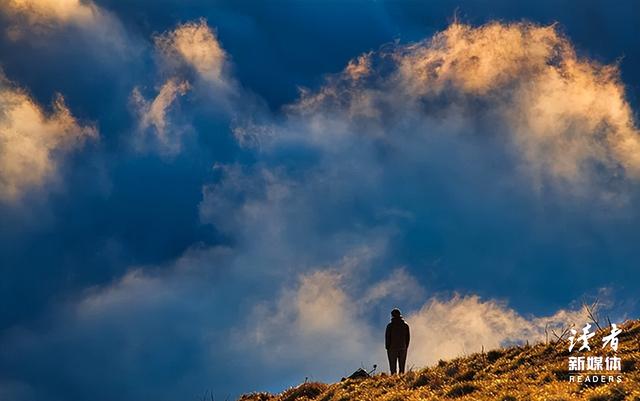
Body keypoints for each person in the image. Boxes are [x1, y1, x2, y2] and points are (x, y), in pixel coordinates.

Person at [385, 308, 410, 374]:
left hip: (392, 348)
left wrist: (387, 347)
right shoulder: (405, 325)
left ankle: (393, 379)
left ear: (392, 315)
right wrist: (406, 346)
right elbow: (408, 338)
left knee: (393, 367)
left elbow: (387, 337)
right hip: (403, 347)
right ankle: (401, 380)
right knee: (402, 366)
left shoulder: (390, 326)